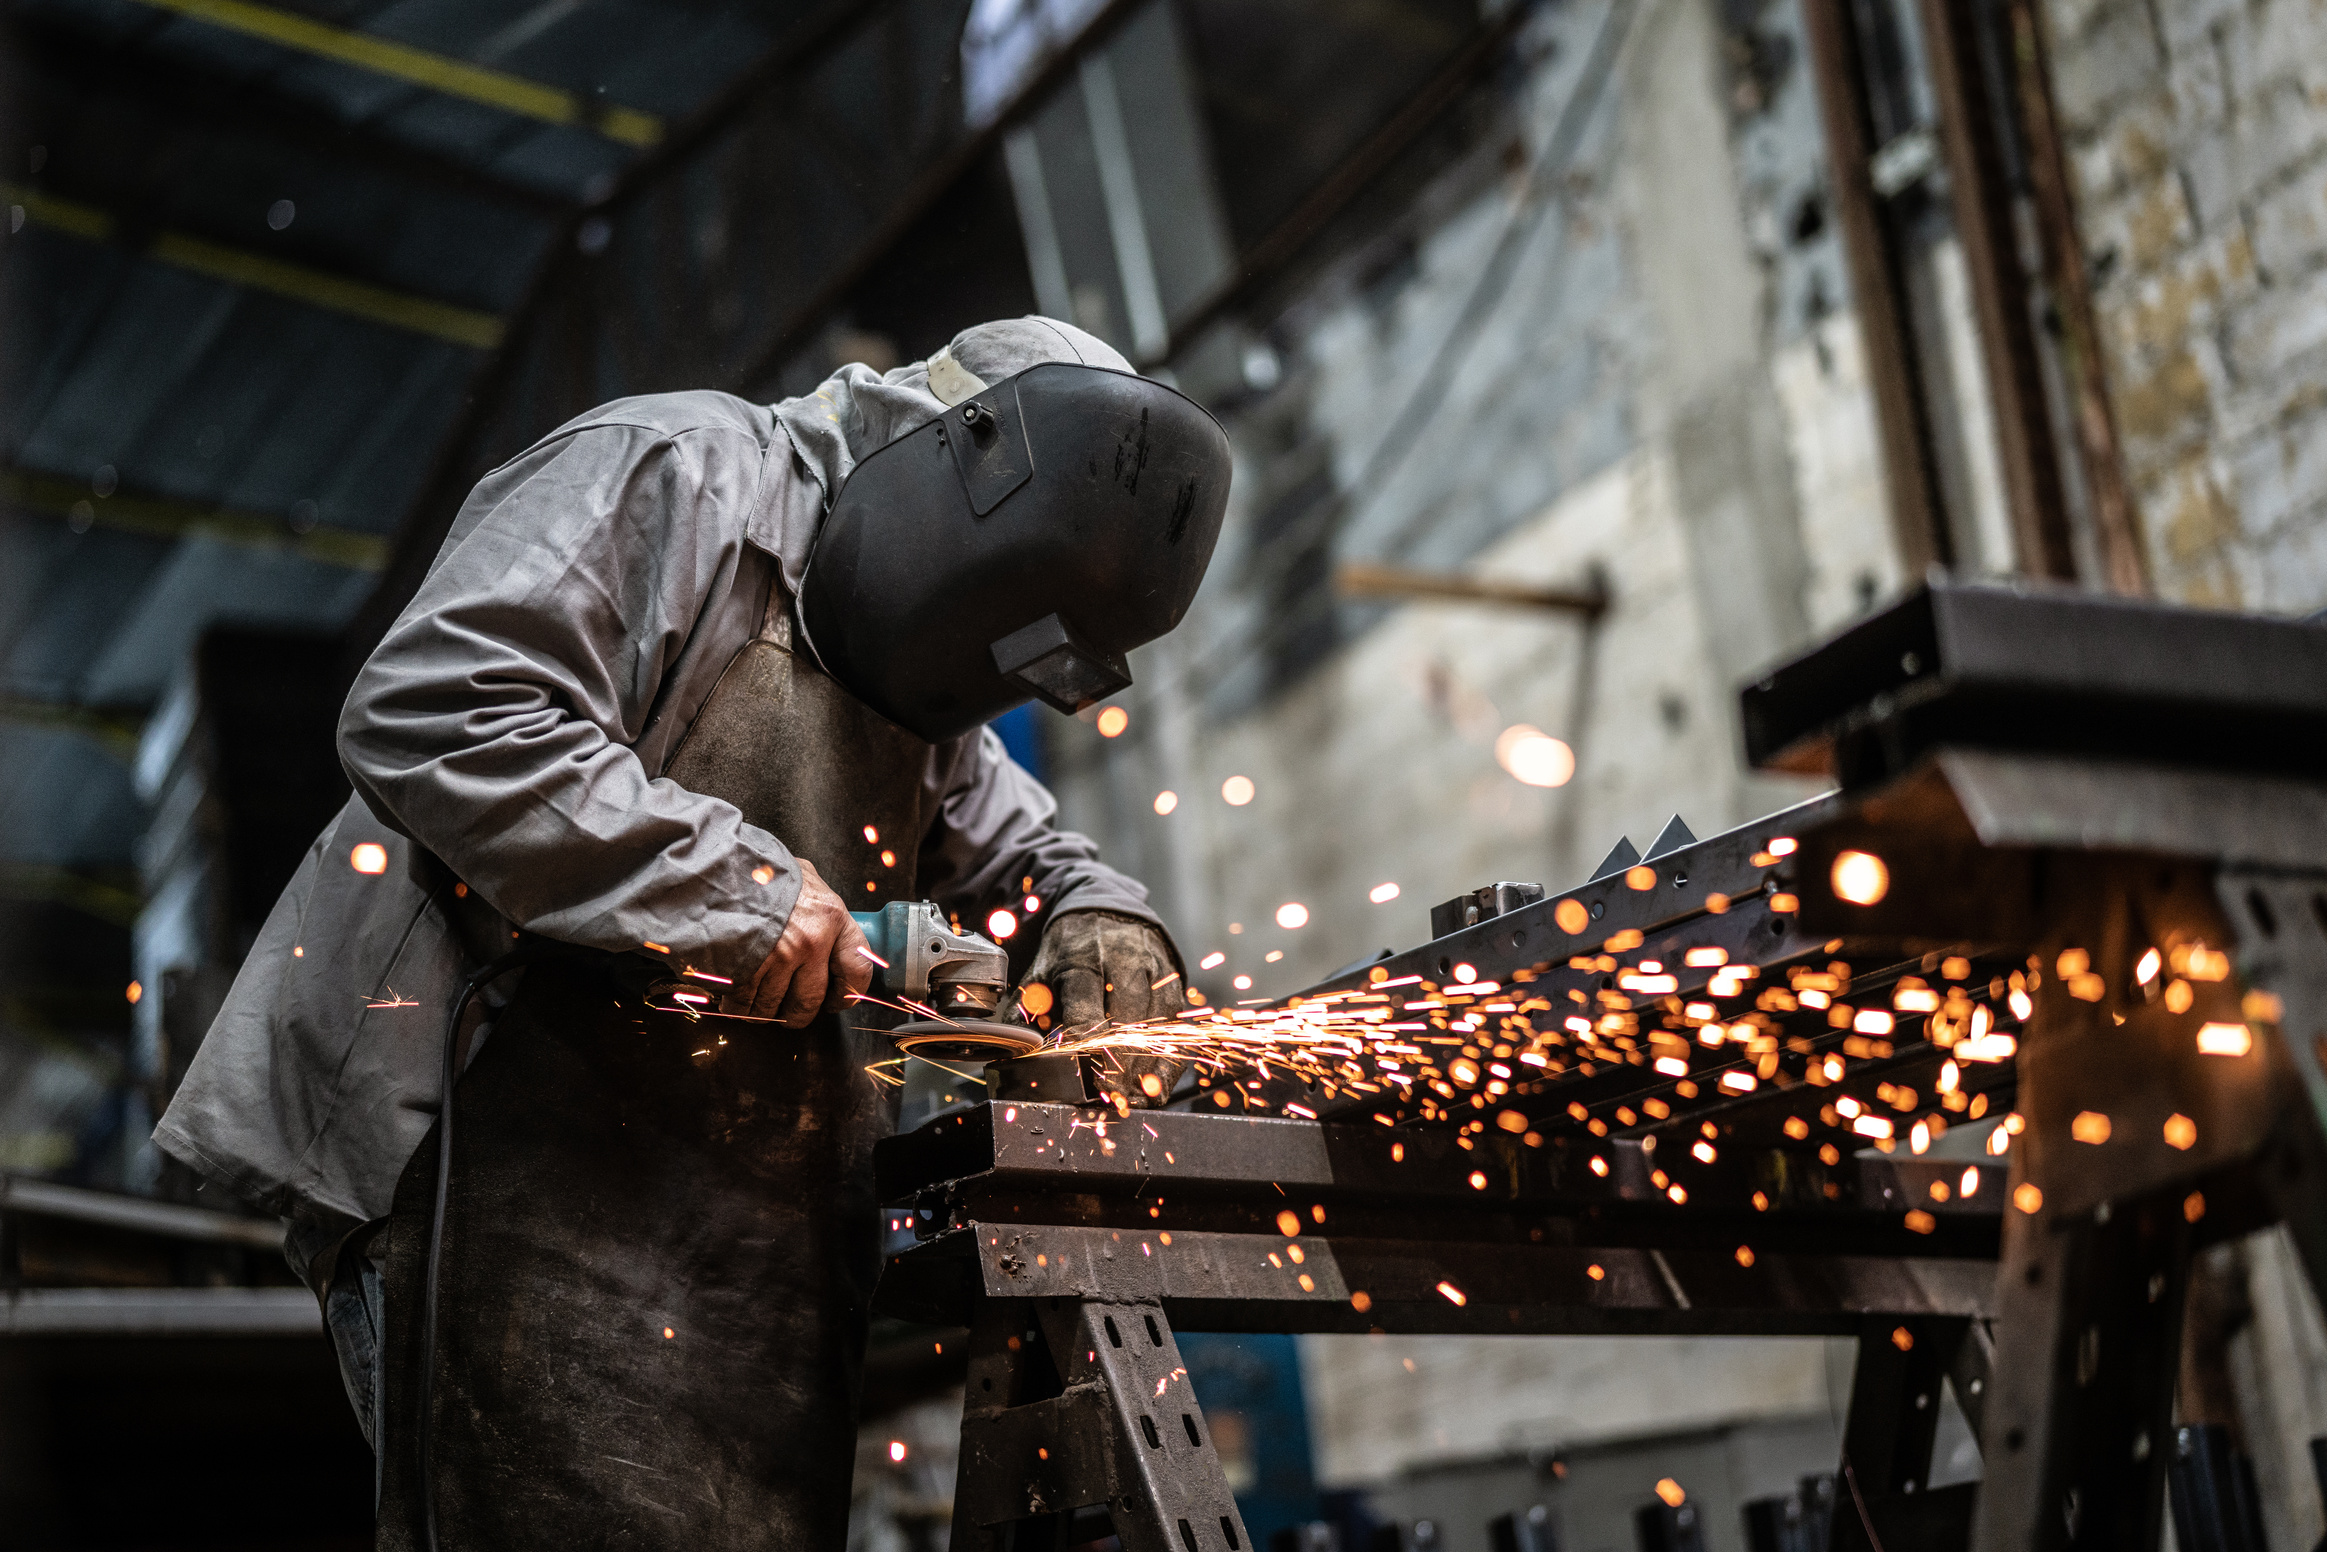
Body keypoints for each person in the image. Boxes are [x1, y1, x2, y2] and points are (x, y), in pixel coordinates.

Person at [153, 316, 1230, 1550]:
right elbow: (435, 706)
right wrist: (741, 894)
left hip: (751, 1231)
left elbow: (1032, 853)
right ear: (948, 467)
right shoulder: (676, 472)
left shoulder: (928, 681)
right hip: (503, 1166)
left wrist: (1101, 918)